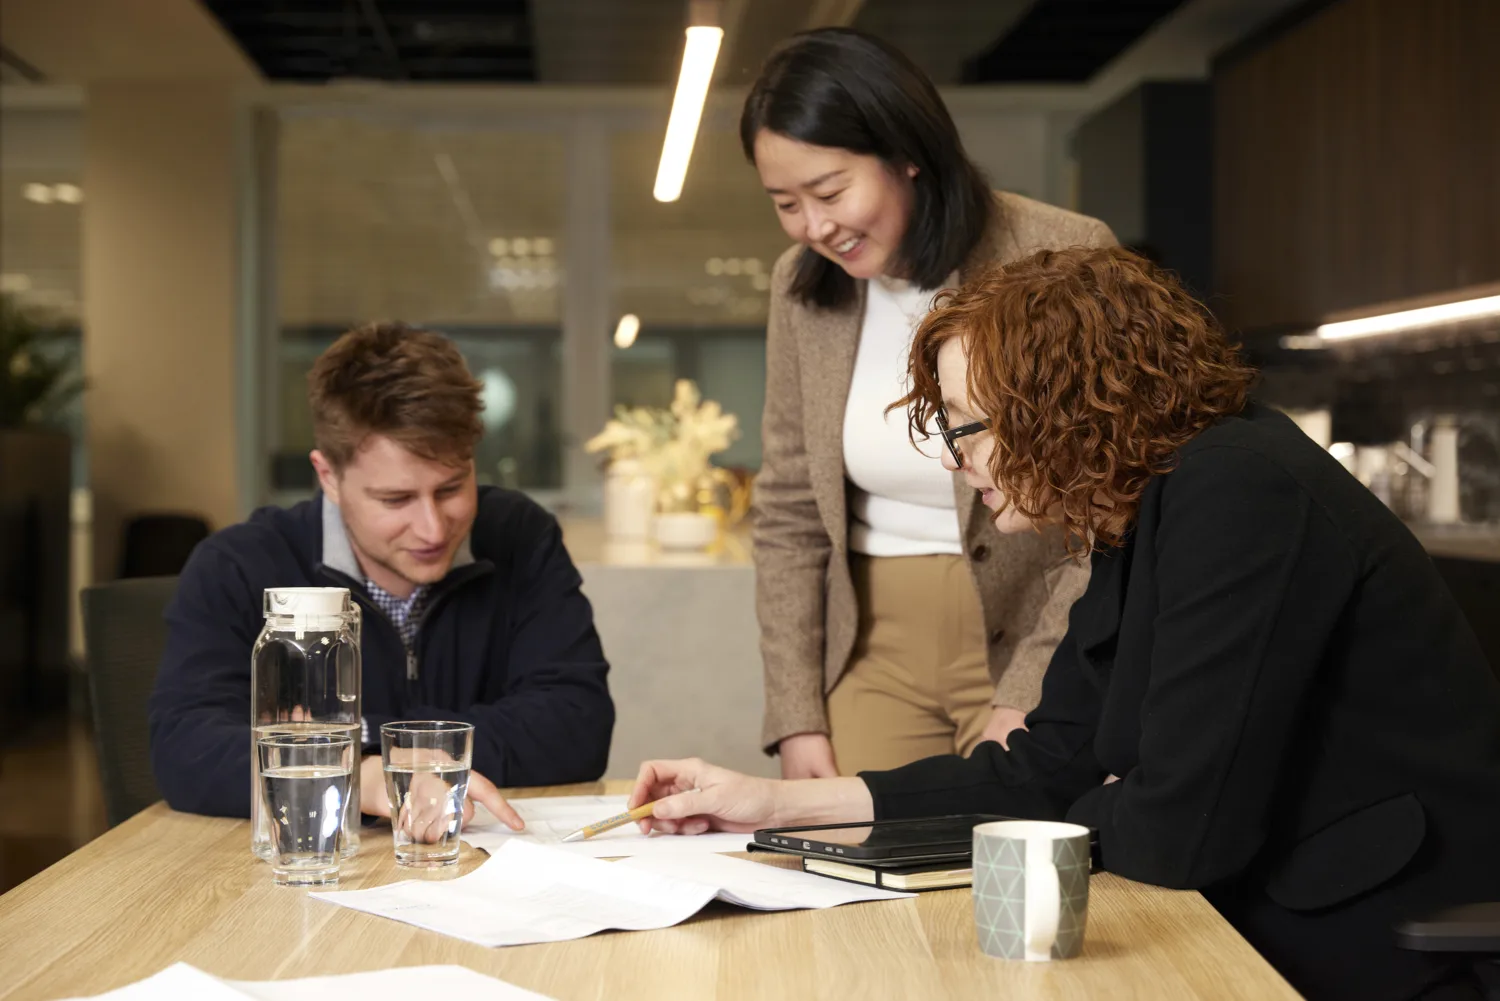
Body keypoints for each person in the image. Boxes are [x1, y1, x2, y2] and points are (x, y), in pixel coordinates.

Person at [629, 247, 1500, 1001]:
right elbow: (1048, 769)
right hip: (1259, 908)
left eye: (966, 427)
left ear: (1065, 407)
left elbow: (1176, 837)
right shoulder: (1144, 509)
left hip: (1366, 933)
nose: (956, 460)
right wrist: (771, 804)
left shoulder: (1240, 491)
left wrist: (1119, 802)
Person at [745, 27, 1117, 780]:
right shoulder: (800, 288)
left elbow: (1107, 492)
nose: (814, 226)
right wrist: (795, 716)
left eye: (829, 191)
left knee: (1020, 868)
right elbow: (788, 508)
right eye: (785, 202)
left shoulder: (1065, 253)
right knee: (852, 867)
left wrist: (1030, 684)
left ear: (906, 152)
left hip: (1038, 620)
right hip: (875, 642)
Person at [149, 322, 615, 829]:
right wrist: (359, 778)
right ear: (328, 476)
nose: (433, 527)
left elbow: (577, 725)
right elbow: (187, 748)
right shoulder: (238, 565)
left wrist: (351, 744)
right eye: (395, 500)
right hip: (307, 875)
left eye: (451, 488)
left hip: (473, 865)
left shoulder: (522, 536)